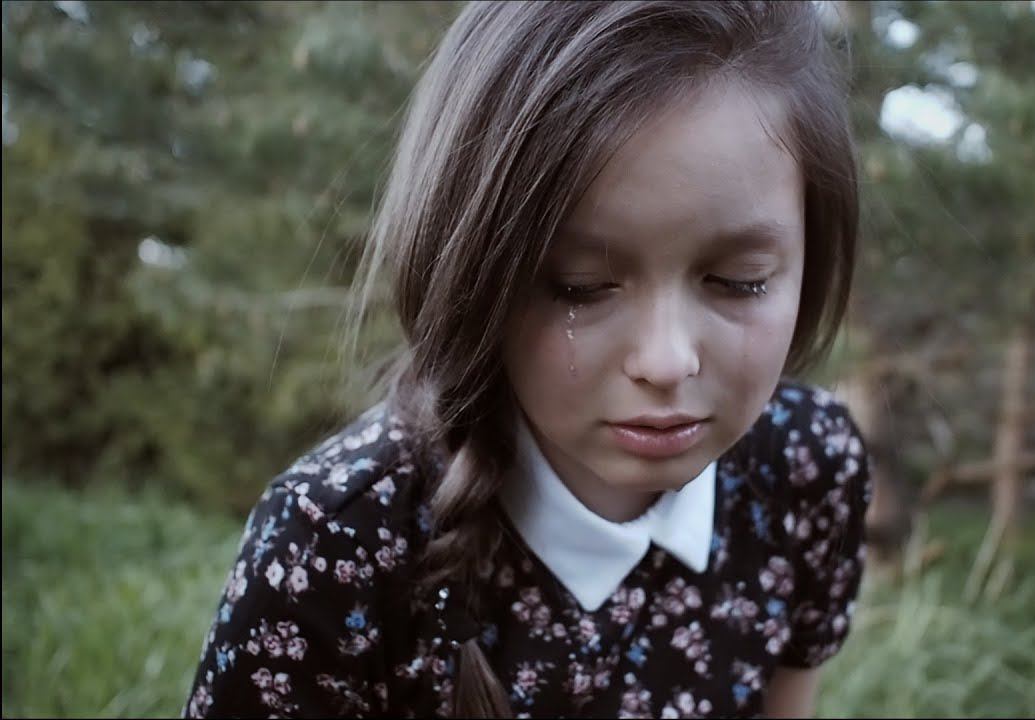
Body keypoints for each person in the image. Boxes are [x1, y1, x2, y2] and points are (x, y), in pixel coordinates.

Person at [183, 1, 870, 717]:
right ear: (468, 268)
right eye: (580, 286)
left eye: (739, 281)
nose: (666, 362)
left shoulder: (809, 465)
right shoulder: (331, 547)